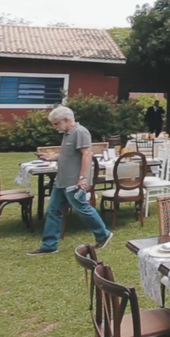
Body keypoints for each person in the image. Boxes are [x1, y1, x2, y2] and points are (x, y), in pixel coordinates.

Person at [27, 106, 111, 256]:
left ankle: (103, 234)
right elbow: (67, 154)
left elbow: (86, 154)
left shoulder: (80, 132)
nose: (55, 127)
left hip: (73, 181)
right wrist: (51, 158)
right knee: (53, 210)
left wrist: (82, 178)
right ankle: (49, 245)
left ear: (66, 120)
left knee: (82, 208)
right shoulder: (67, 133)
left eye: (56, 123)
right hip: (61, 180)